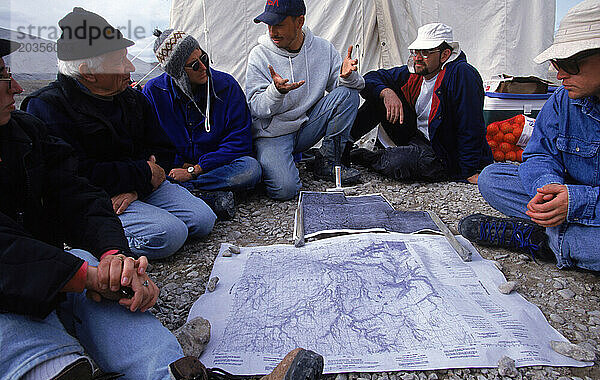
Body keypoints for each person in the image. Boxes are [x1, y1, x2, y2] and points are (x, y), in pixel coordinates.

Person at [1, 38, 324, 380]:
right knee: (129, 253)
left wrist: (114, 255)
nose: (15, 86)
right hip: (30, 266)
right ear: (89, 73)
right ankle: (56, 374)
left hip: (146, 187)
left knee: (192, 219)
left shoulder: (27, 130)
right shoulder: (48, 109)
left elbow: (78, 191)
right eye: (3, 77)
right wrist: (89, 273)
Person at [21, 8, 216, 259]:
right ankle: (91, 240)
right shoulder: (47, 107)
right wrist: (143, 173)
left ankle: (143, 217)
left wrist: (138, 186)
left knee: (203, 219)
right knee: (169, 234)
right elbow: (73, 175)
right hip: (96, 200)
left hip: (140, 187)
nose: (131, 67)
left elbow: (164, 149)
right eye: (120, 61)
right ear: (88, 72)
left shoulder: (131, 98)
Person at [459, 0, 600, 271]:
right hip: (564, 192)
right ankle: (559, 233)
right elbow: (539, 154)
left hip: (585, 200)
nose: (559, 74)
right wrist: (547, 189)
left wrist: (577, 202)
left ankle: (543, 239)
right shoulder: (563, 101)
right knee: (491, 178)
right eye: (557, 63)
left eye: (570, 63)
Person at [246, 0, 364, 201]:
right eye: (269, 25)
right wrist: (276, 92)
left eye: (279, 24)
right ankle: (270, 161)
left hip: (306, 126)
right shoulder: (259, 54)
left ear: (299, 21)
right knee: (285, 190)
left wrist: (347, 77)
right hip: (273, 134)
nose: (272, 32)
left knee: (348, 94)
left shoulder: (322, 48)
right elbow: (256, 108)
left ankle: (328, 161)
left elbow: (357, 87)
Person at [350, 23, 492, 183]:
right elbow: (369, 79)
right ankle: (340, 149)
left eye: (425, 53)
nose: (417, 57)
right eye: (416, 51)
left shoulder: (462, 74)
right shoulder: (415, 73)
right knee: (379, 97)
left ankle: (362, 156)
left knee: (399, 163)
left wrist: (469, 170)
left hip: (443, 152)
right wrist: (386, 93)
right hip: (417, 137)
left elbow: (471, 124)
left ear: (445, 55)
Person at [143, 29, 262, 220]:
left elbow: (239, 141)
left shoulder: (226, 86)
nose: (204, 67)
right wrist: (179, 165)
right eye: (194, 65)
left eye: (203, 58)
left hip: (215, 165)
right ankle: (205, 195)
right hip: (174, 169)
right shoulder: (153, 92)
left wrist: (195, 170)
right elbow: (149, 143)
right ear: (178, 72)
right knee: (153, 173)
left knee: (250, 169)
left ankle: (190, 193)